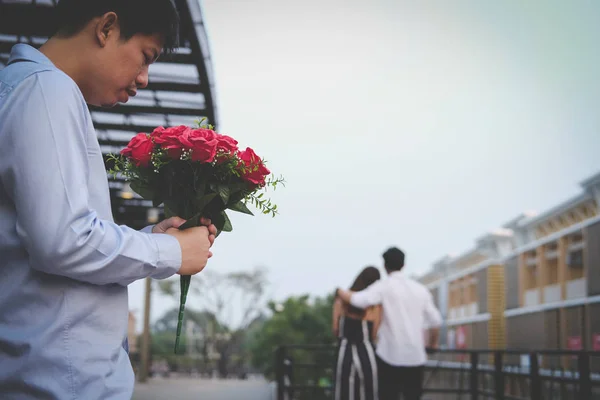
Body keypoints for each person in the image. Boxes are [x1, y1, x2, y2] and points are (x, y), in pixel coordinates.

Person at [0, 0, 217, 398]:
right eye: (145, 57)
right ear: (107, 28)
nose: (145, 79)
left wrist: (153, 236)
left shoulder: (29, 89)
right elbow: (62, 242)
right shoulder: (47, 90)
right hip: (58, 383)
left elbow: (58, 234)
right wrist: (166, 250)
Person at [336, 247, 442, 400]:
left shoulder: (384, 287)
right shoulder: (420, 289)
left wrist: (339, 291)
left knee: (388, 396)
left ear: (385, 266)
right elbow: (435, 320)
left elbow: (359, 300)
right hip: (416, 356)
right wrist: (433, 344)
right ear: (403, 264)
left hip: (389, 356)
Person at [332, 266, 382, 400]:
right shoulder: (375, 305)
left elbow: (335, 328)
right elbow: (374, 333)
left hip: (345, 347)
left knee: (343, 389)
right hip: (366, 348)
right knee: (369, 389)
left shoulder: (341, 301)